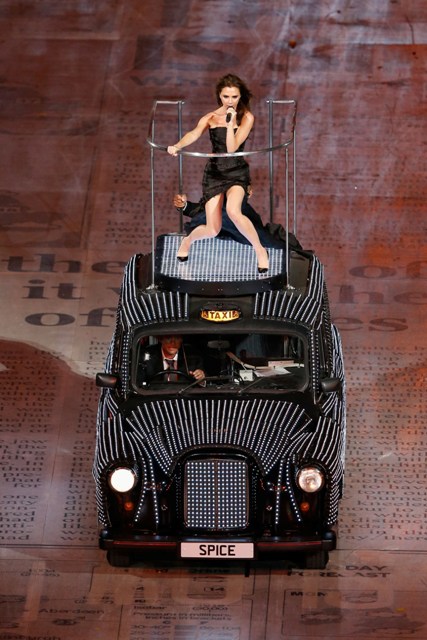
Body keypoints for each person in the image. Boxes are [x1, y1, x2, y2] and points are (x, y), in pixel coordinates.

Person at [167, 73, 269, 273]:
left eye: (234, 97)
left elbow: (232, 148)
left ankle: (260, 250)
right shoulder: (211, 117)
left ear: (240, 96)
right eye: (226, 96)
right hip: (215, 173)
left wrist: (230, 124)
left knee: (233, 211)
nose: (230, 101)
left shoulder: (246, 117)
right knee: (213, 229)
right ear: (219, 96)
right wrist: (177, 145)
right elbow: (194, 133)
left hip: (236, 172)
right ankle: (187, 241)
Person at [173, 192, 303, 251]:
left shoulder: (245, 210)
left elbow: (261, 234)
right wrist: (184, 205)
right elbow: (199, 211)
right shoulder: (218, 203)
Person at [138, 335, 205, 384]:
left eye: (177, 338)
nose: (173, 343)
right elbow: (139, 384)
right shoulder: (146, 357)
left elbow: (204, 383)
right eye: (168, 338)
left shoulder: (193, 357)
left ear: (181, 340)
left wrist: (201, 379)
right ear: (161, 339)